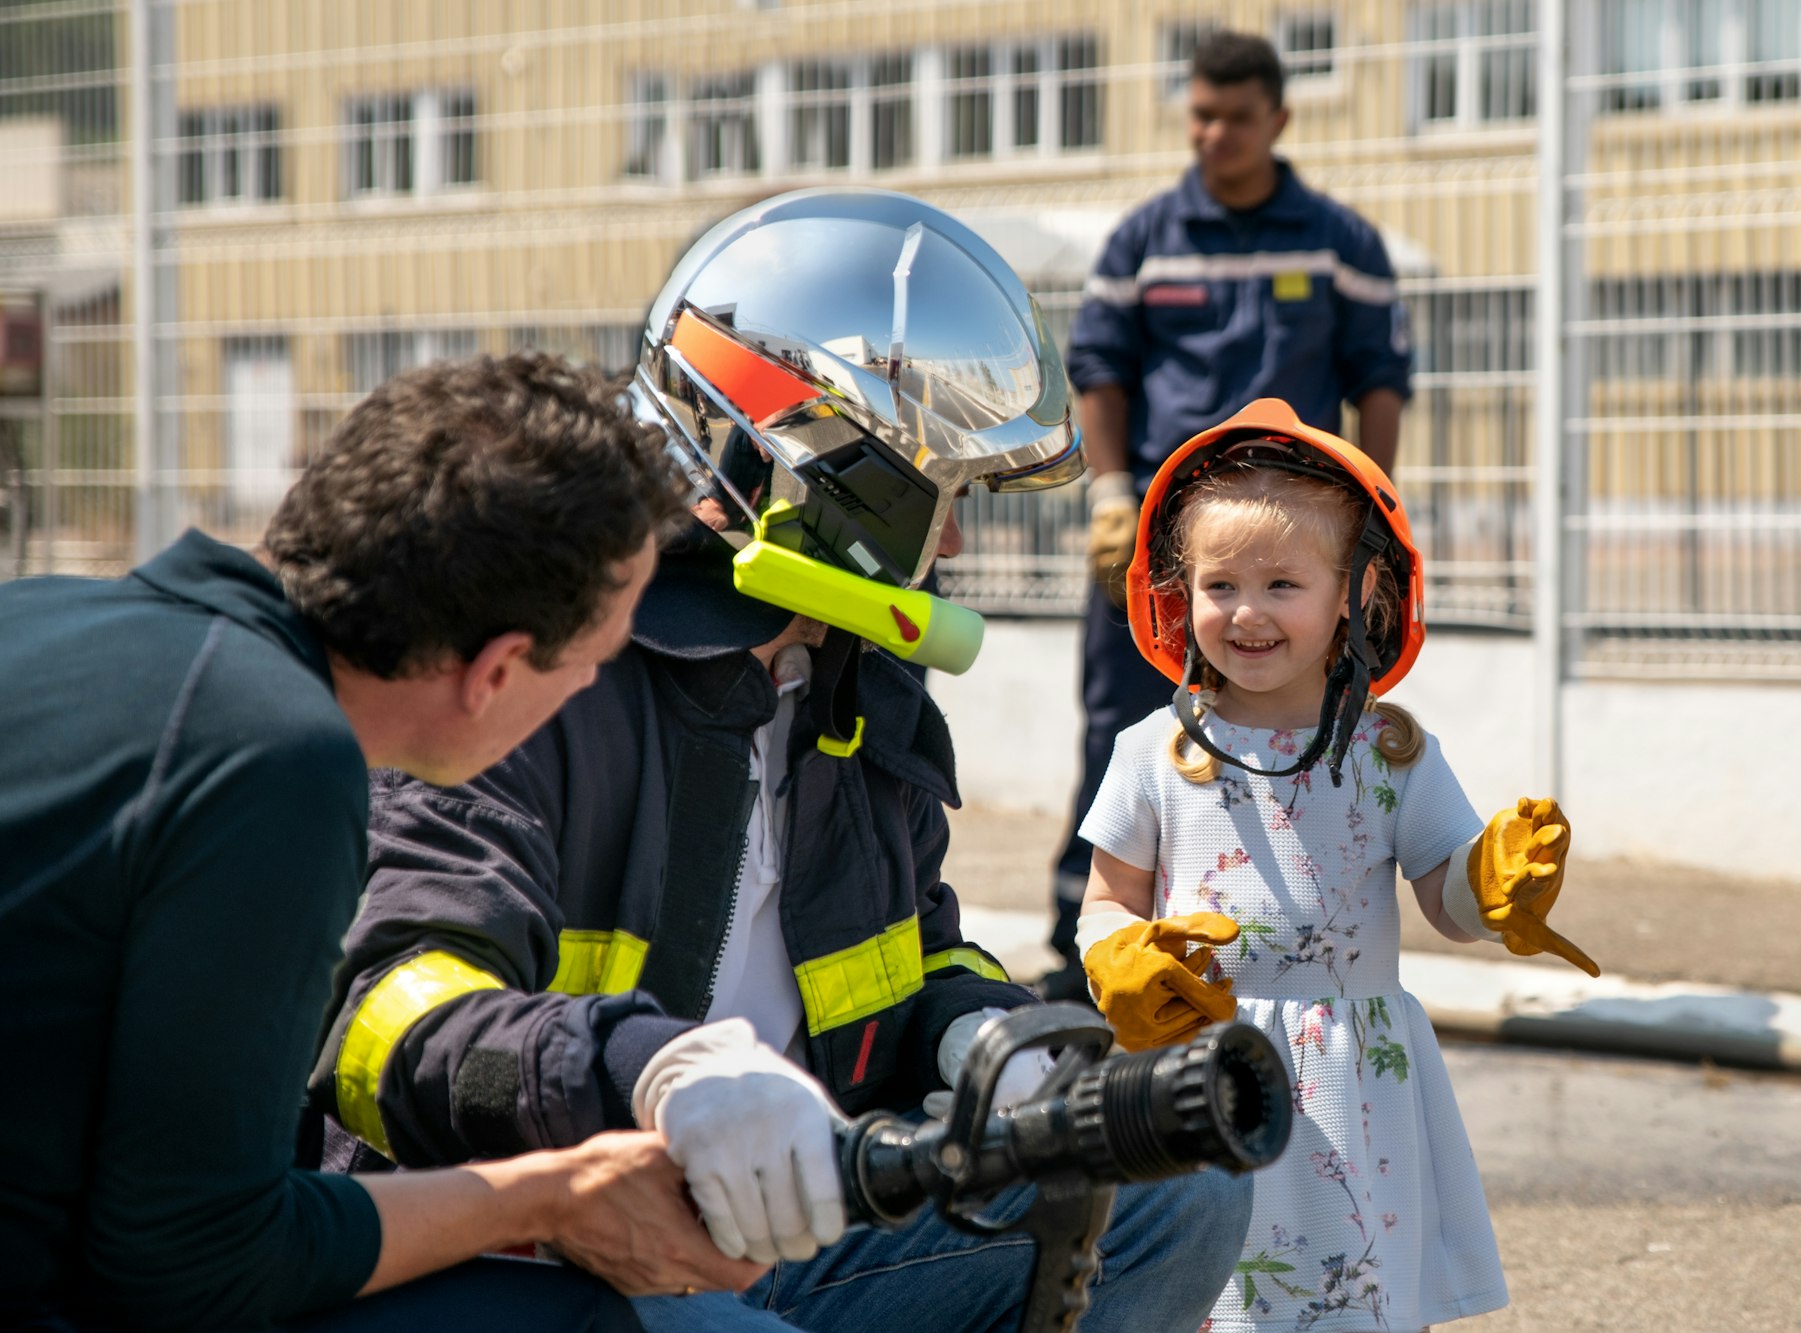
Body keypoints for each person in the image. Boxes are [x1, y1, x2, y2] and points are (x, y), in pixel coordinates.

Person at [308, 189, 1253, 1333]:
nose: (950, 543)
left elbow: (909, 958)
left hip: (794, 1223)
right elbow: (381, 1019)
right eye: (936, 498)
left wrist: (983, 1040)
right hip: (541, 1247)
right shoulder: (547, 667)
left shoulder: (862, 687)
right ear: (819, 477)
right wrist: (655, 1072)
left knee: (1178, 1197)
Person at [0, 352, 769, 1331]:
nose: (587, 691)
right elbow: (193, 1262)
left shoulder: (53, 614)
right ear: (495, 670)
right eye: (594, 662)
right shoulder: (277, 761)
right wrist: (553, 1195)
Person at [1074, 399, 1601, 1332]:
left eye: (1283, 584)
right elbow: (1106, 901)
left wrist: (1492, 883)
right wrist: (1115, 953)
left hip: (1356, 1081)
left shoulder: (1389, 752)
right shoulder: (1151, 751)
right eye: (1219, 584)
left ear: (1358, 595)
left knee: (1355, 1295)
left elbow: (1446, 892)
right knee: (1203, 1293)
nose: (1246, 611)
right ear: (1174, 593)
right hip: (1200, 1072)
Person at [1044, 29, 1416, 1001]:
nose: (1213, 135)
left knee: (1309, 717)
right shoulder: (1141, 240)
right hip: (1163, 541)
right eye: (1199, 115)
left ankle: (1292, 925)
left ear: (1278, 120)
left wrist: (1370, 512)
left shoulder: (1339, 243)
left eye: (1235, 118)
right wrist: (1112, 493)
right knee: (1120, 720)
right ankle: (1088, 937)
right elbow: (1098, 371)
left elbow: (1380, 381)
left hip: (1296, 542)